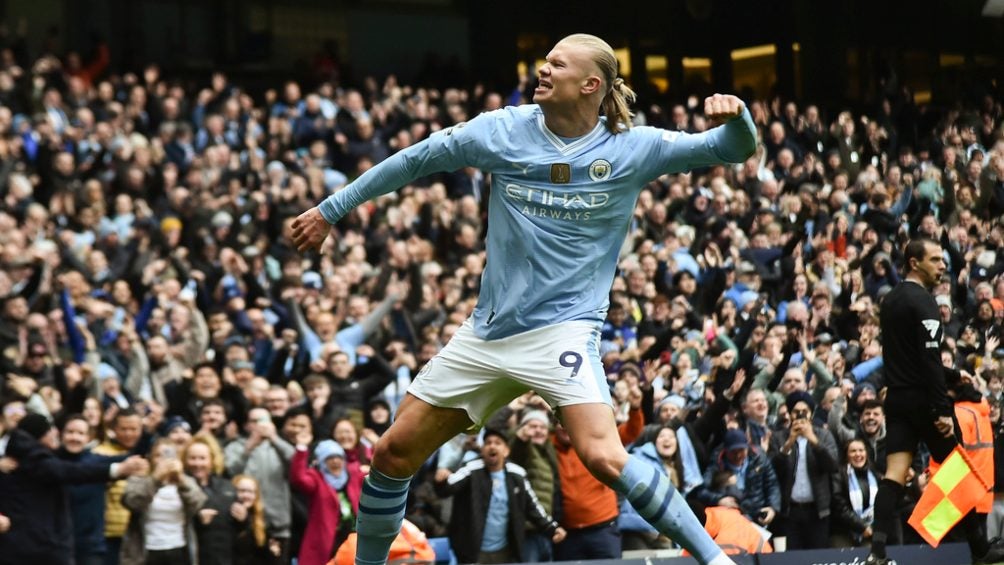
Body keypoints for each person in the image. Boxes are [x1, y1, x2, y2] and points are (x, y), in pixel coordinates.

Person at [291, 33, 755, 565]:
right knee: (392, 453)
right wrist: (331, 209)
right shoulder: (501, 131)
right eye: (544, 60)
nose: (542, 69)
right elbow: (414, 160)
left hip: (564, 330)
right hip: (487, 334)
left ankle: (715, 560)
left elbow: (731, 149)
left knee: (604, 456)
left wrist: (737, 116)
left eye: (557, 63)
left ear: (591, 84)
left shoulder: (633, 147)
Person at [866, 238, 1004, 565]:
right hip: (925, 402)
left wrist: (954, 375)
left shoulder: (889, 301)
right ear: (914, 263)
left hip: (897, 399)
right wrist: (942, 409)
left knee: (894, 475)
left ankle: (877, 552)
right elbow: (928, 360)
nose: (942, 266)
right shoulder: (924, 302)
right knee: (957, 470)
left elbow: (909, 357)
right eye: (935, 260)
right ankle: (980, 548)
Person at [434, 427, 566, 564]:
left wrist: (552, 528)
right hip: (472, 551)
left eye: (497, 443)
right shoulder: (471, 469)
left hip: (505, 550)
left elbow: (533, 507)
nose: (492, 446)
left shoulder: (517, 475)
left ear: (506, 451)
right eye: (488, 443)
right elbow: (446, 489)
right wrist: (441, 480)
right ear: (482, 450)